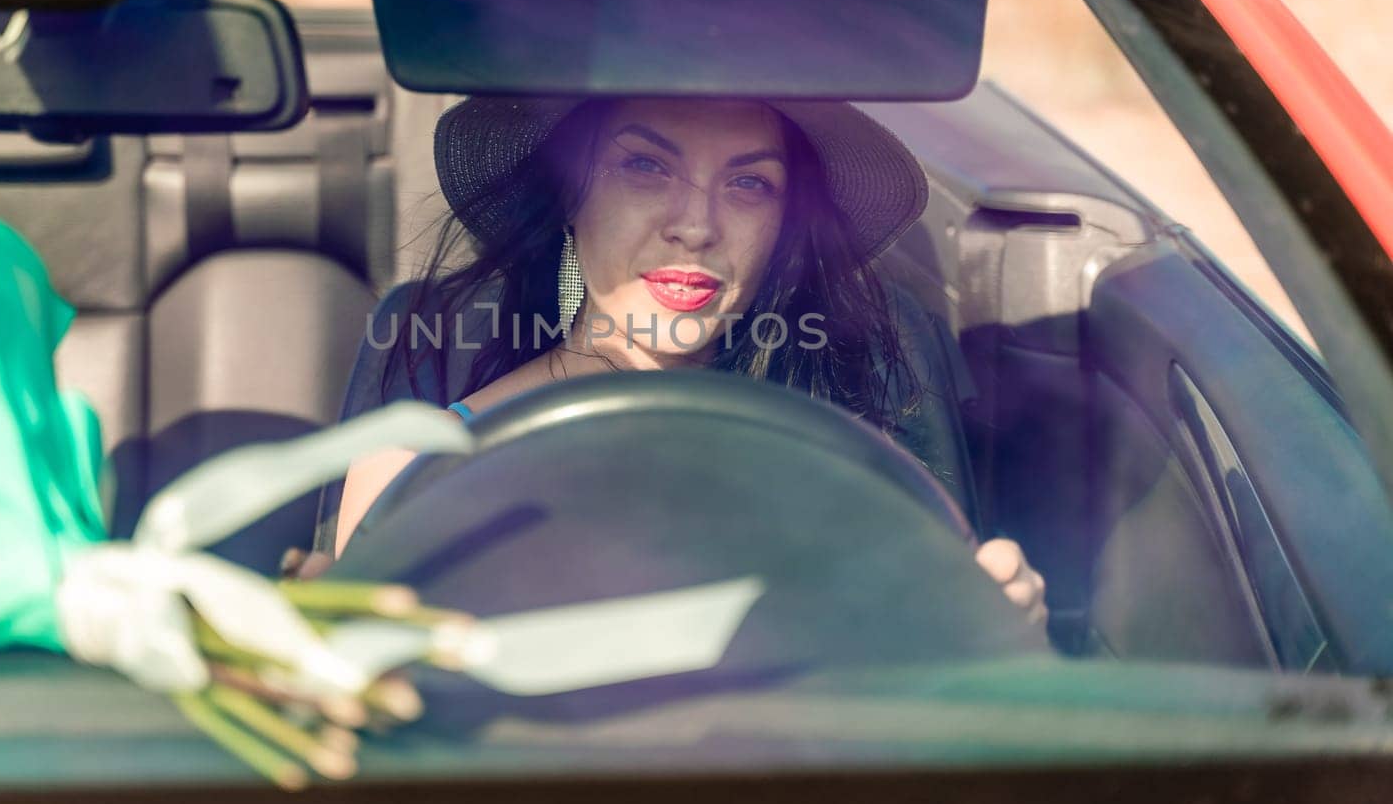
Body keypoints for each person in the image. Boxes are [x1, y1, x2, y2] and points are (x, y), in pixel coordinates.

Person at [308, 95, 1045, 626]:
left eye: (749, 183)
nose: (696, 225)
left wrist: (996, 630)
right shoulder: (409, 474)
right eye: (646, 167)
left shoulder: (853, 474)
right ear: (571, 191)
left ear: (784, 223)